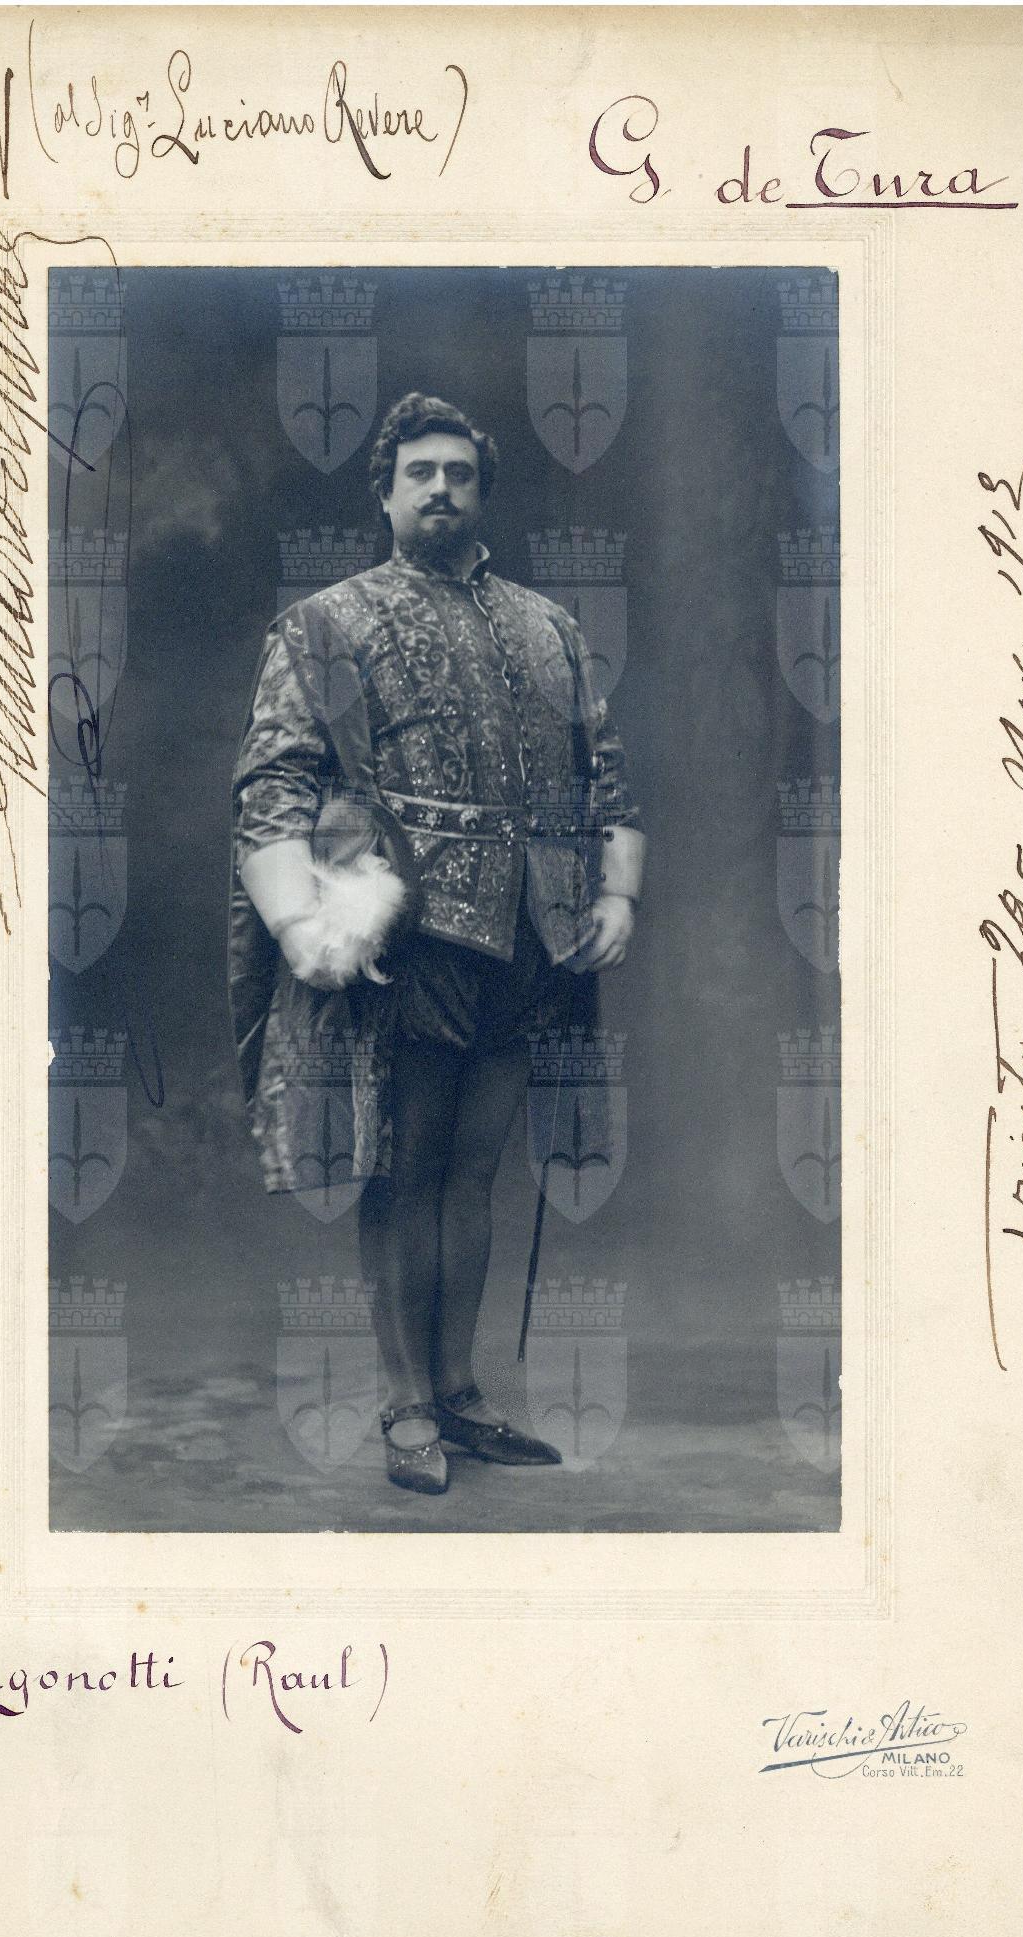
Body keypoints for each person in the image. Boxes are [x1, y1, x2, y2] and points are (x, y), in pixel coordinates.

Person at [230, 391, 643, 1496]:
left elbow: (604, 774)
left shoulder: (548, 627)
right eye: (420, 473)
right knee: (404, 1173)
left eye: (459, 472)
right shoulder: (326, 625)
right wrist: (304, 921)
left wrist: (616, 892)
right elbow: (272, 787)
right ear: (385, 493)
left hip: (528, 939)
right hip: (407, 943)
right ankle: (405, 1401)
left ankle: (461, 1395)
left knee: (475, 1172)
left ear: (482, 490)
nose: (441, 489)